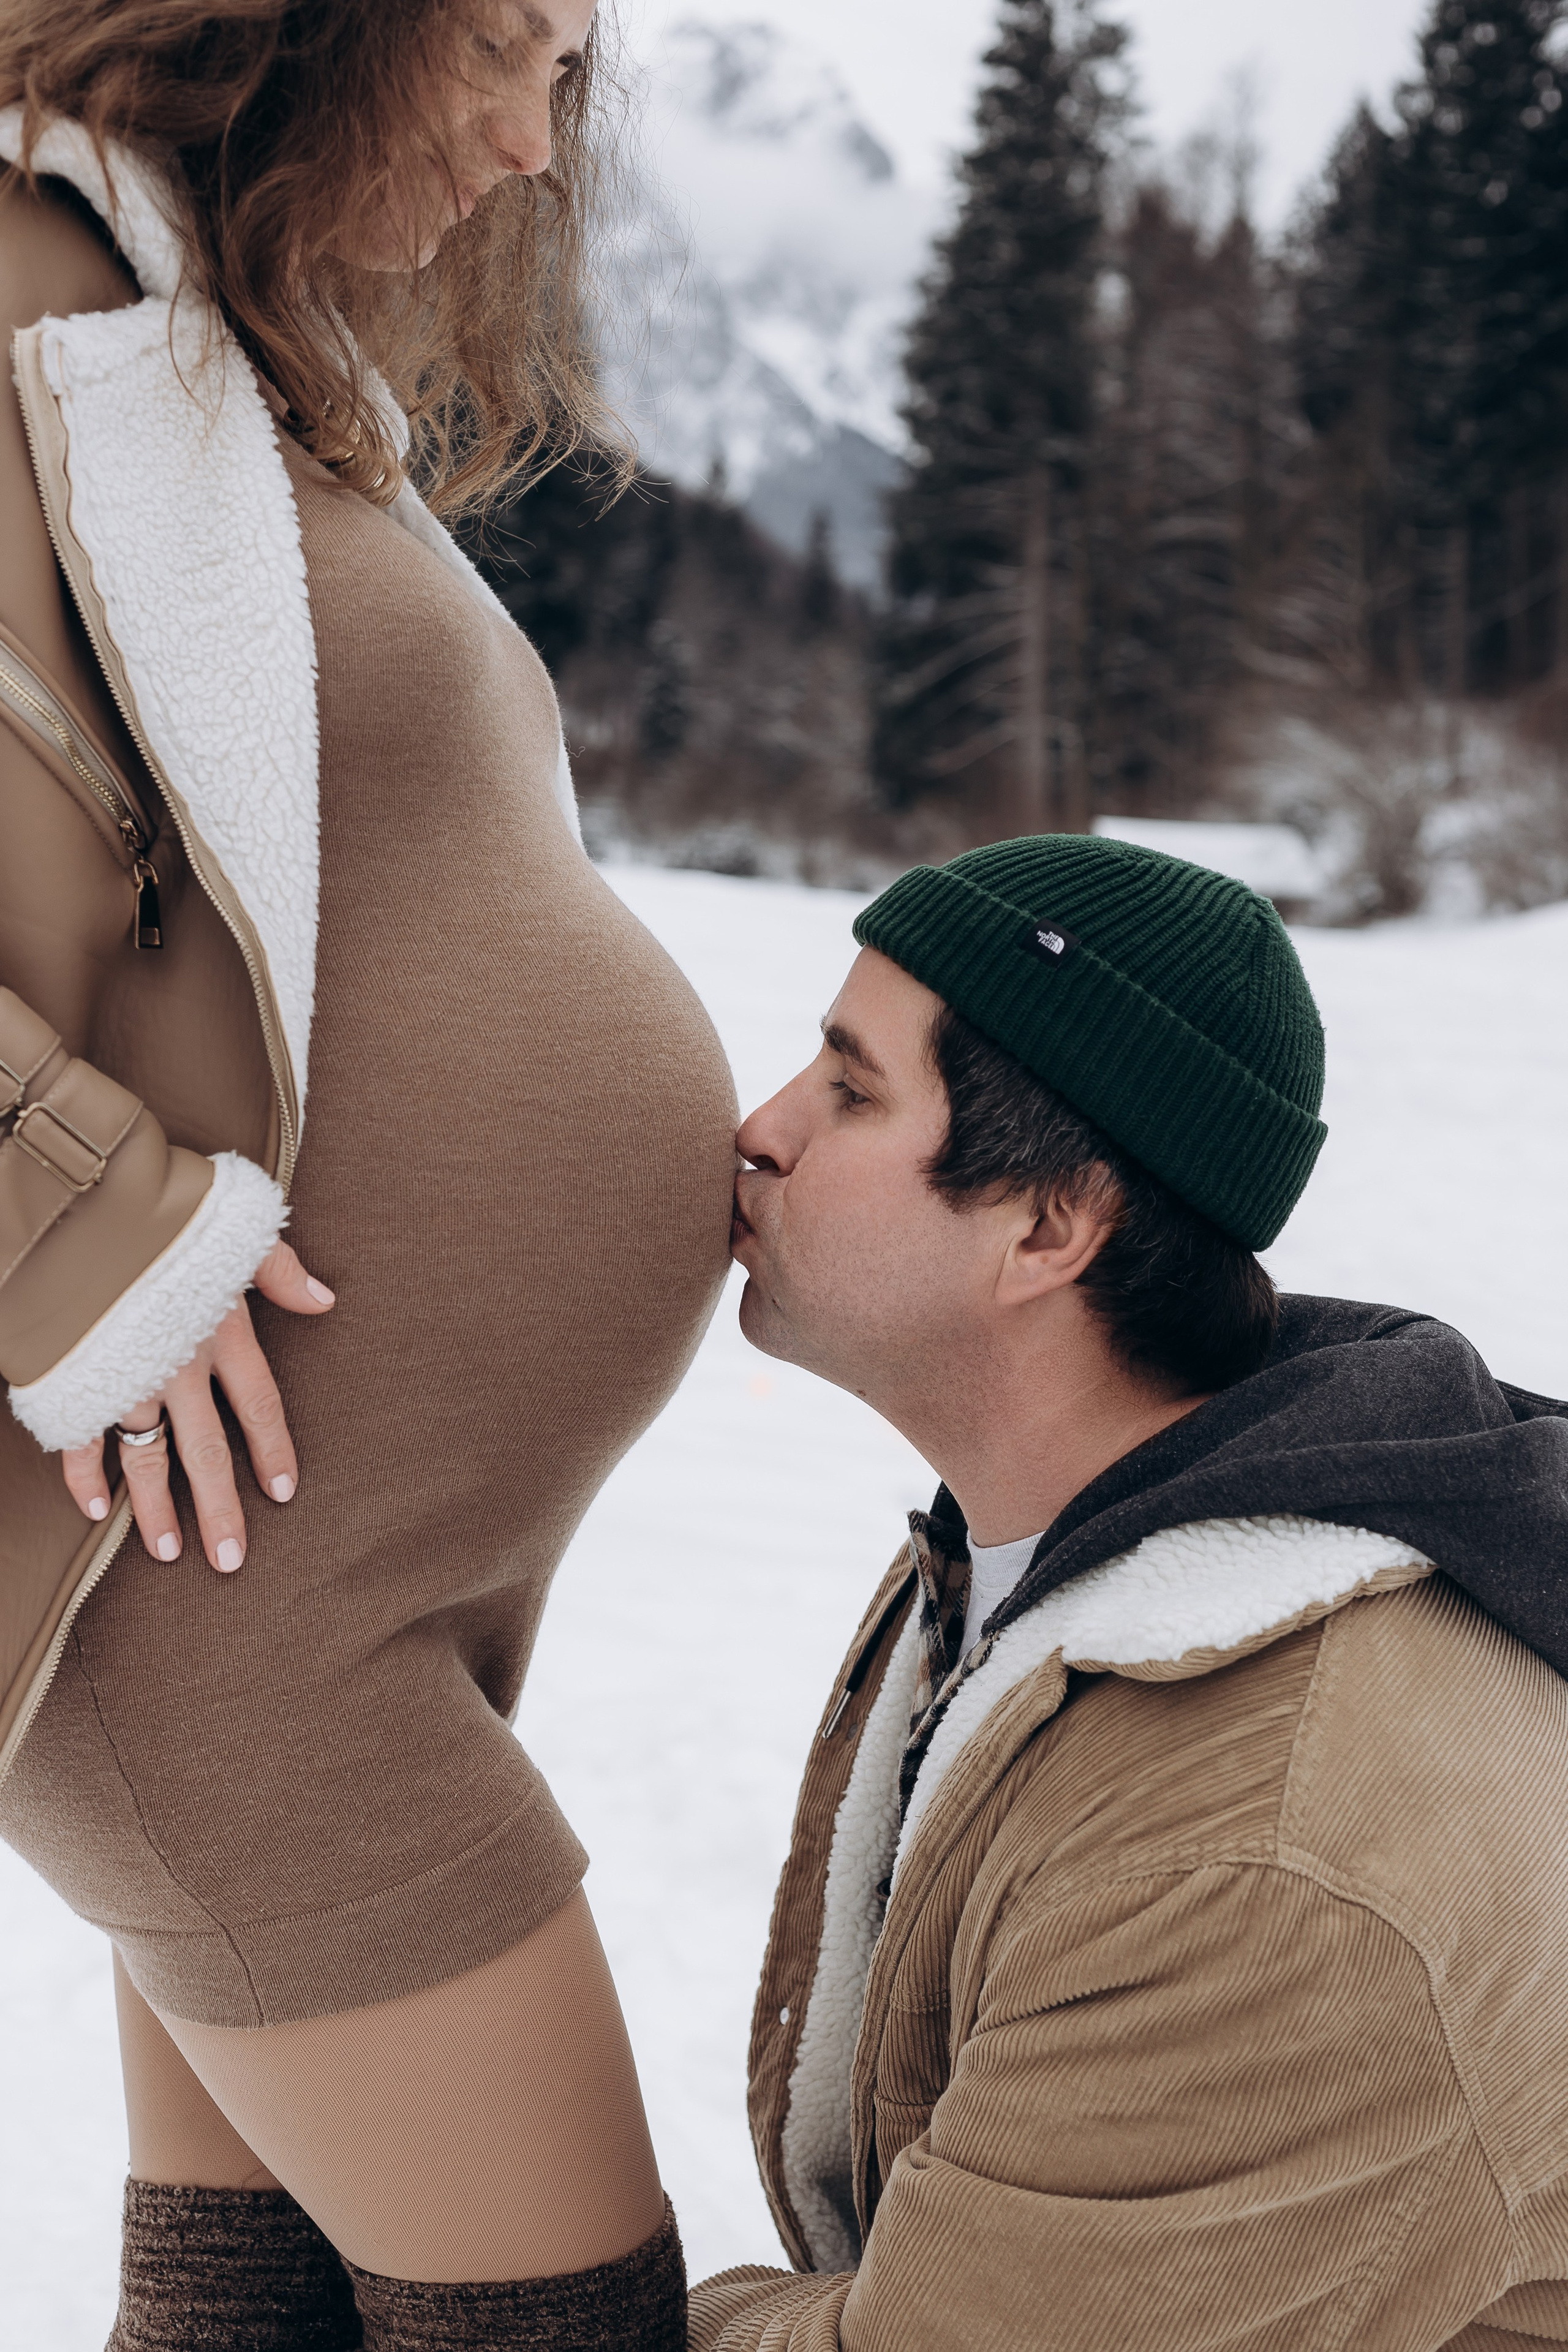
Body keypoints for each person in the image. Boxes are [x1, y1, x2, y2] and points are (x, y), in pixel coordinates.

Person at [0, 4, 737, 2347]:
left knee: (253, 2319)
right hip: (215, 1607)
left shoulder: (190, 341)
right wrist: (79, 1229)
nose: (539, 142)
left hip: (314, 1578)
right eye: (509, 47)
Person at [698, 832, 1568, 2352]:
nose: (757, 1130)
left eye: (849, 1089)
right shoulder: (1038, 1572)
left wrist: (486, 2291)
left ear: (1046, 1224)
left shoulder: (1265, 1845)